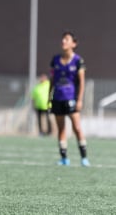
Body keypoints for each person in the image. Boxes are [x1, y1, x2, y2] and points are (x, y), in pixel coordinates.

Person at [49, 31, 90, 167]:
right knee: (61, 129)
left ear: (74, 43)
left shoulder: (78, 60)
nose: (63, 41)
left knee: (77, 128)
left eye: (66, 39)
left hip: (71, 98)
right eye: (63, 39)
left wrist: (79, 100)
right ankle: (64, 158)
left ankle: (84, 158)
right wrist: (49, 97)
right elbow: (52, 80)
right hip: (57, 99)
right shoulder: (55, 59)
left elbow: (82, 82)